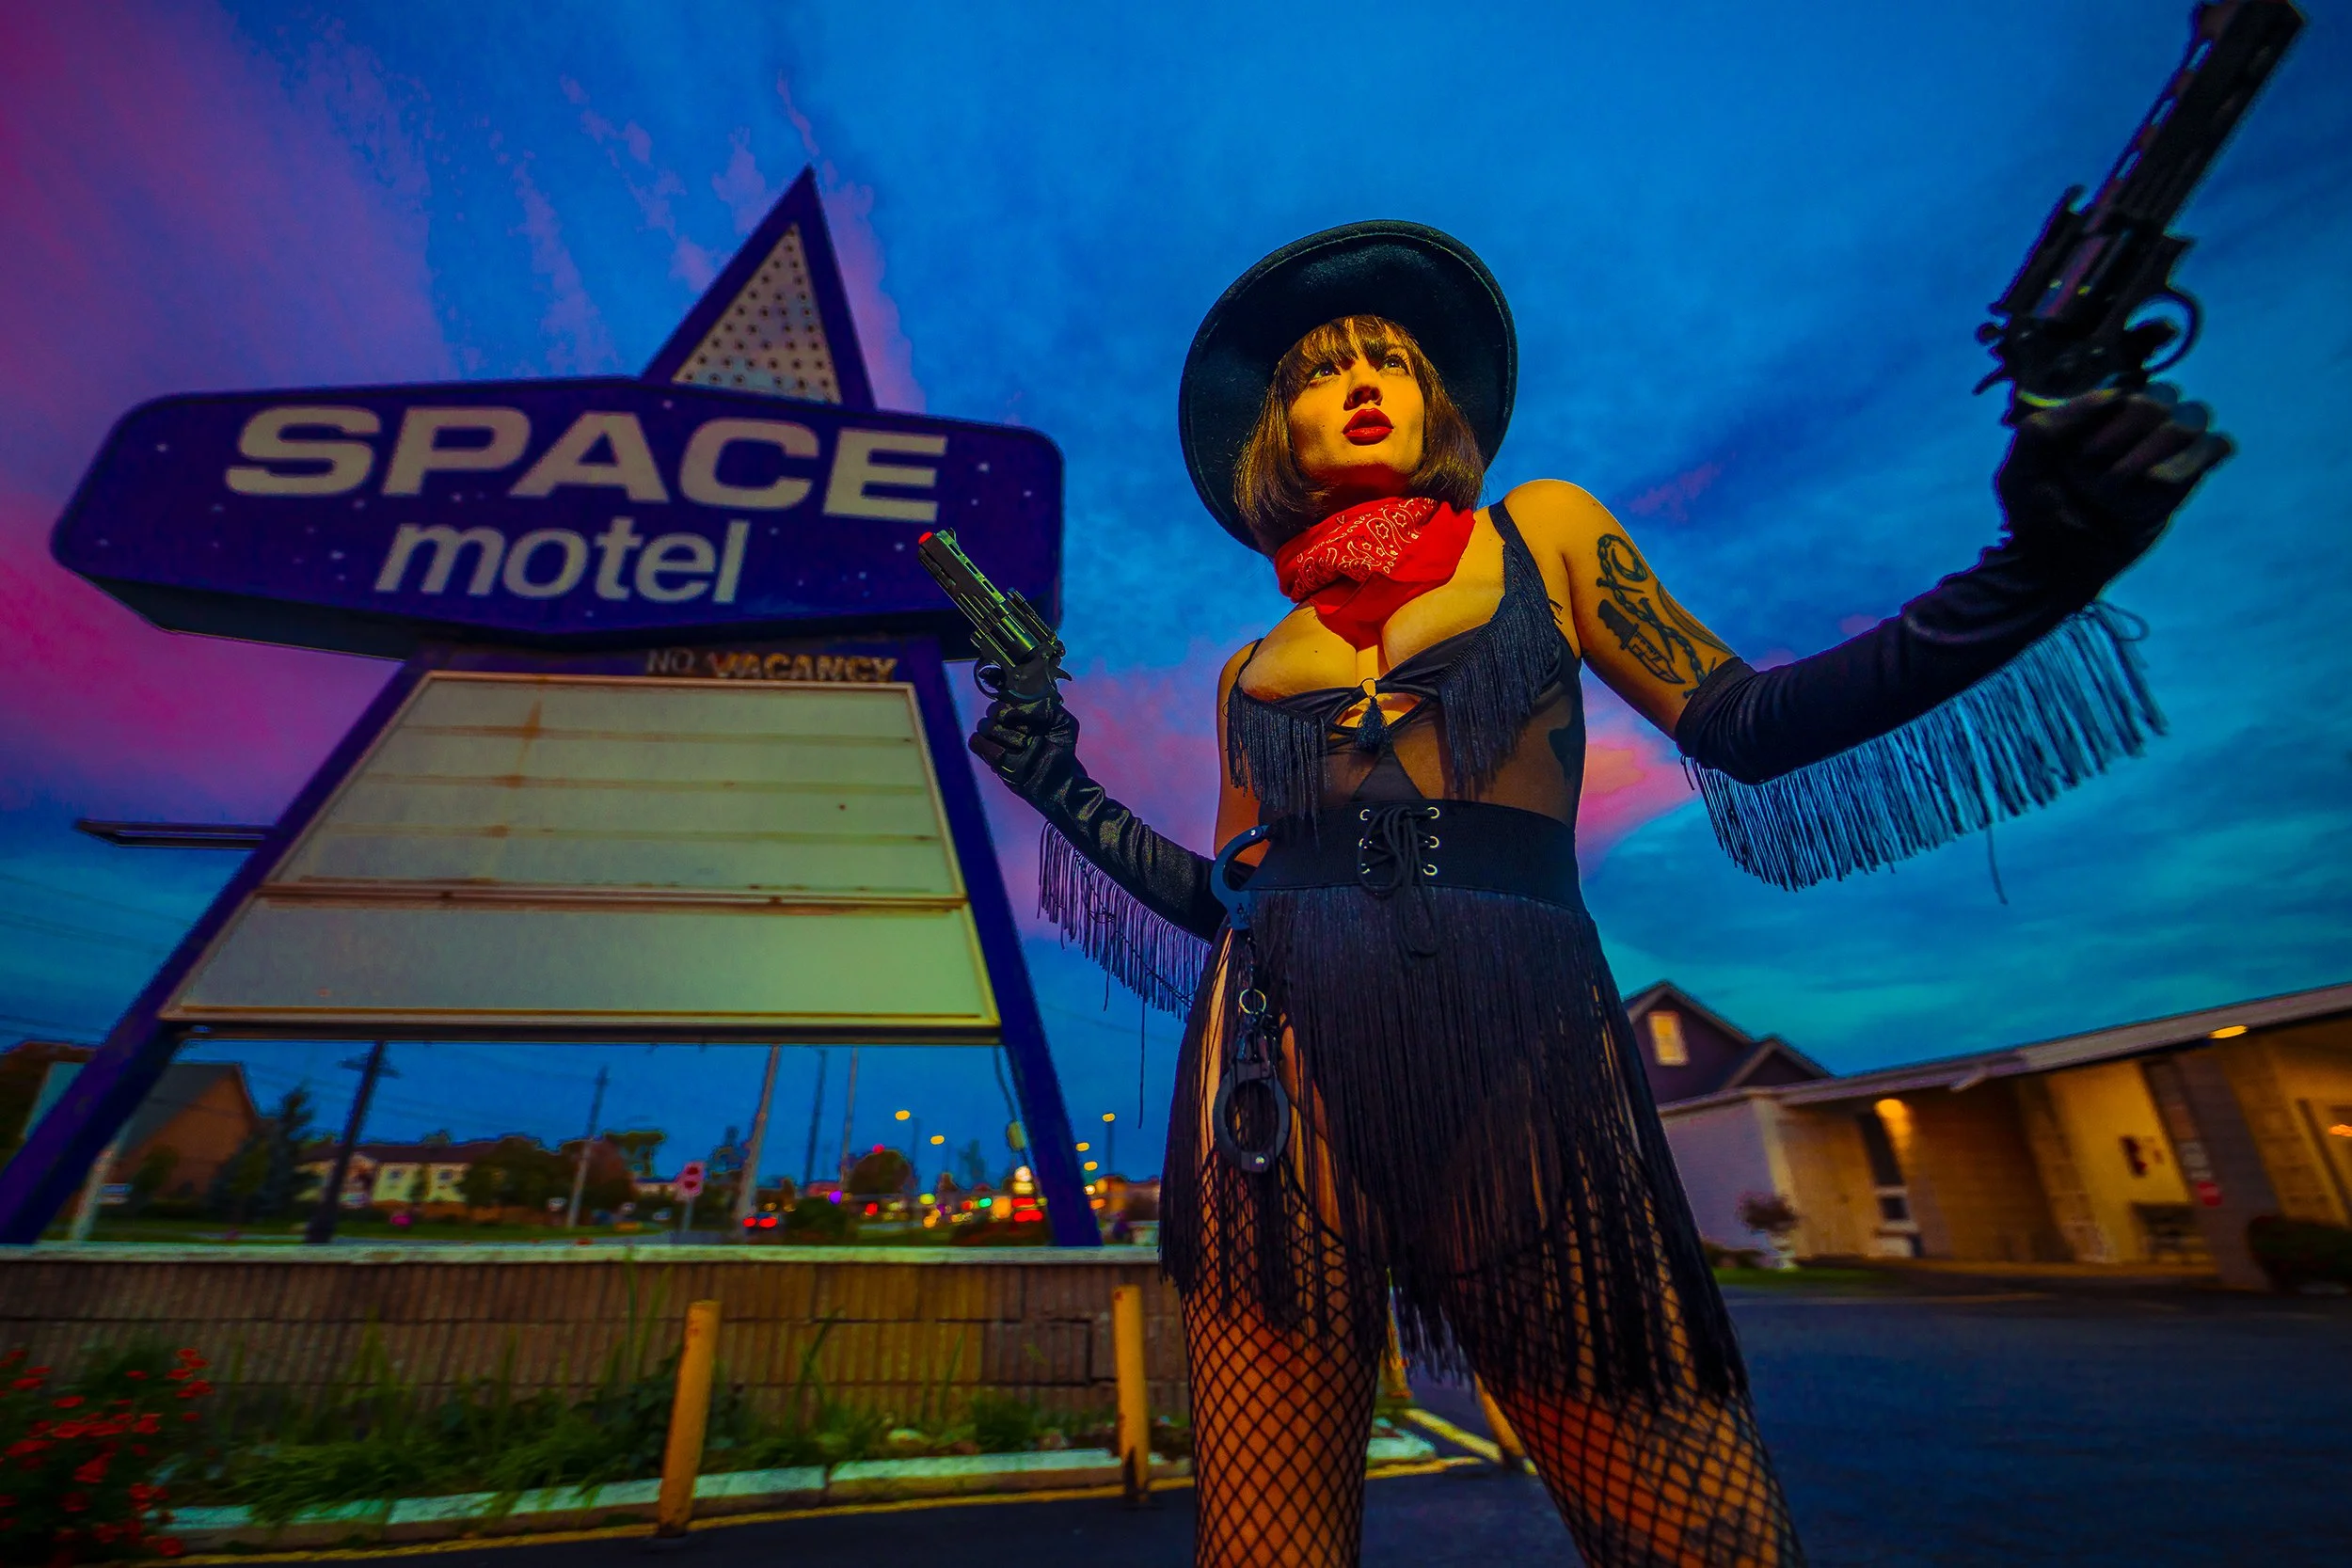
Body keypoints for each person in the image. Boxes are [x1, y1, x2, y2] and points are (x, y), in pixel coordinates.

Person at [967, 223, 2226, 1567]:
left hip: (1517, 1030)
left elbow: (1744, 717)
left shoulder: (1541, 534)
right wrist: (1059, 784)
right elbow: (1229, 893)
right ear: (1278, 432)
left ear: (1440, 402)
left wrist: (2030, 569)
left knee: (1698, 1534)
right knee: (1268, 1547)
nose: (1363, 376)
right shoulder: (1249, 667)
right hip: (1273, 1056)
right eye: (1321, 371)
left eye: (1389, 355)